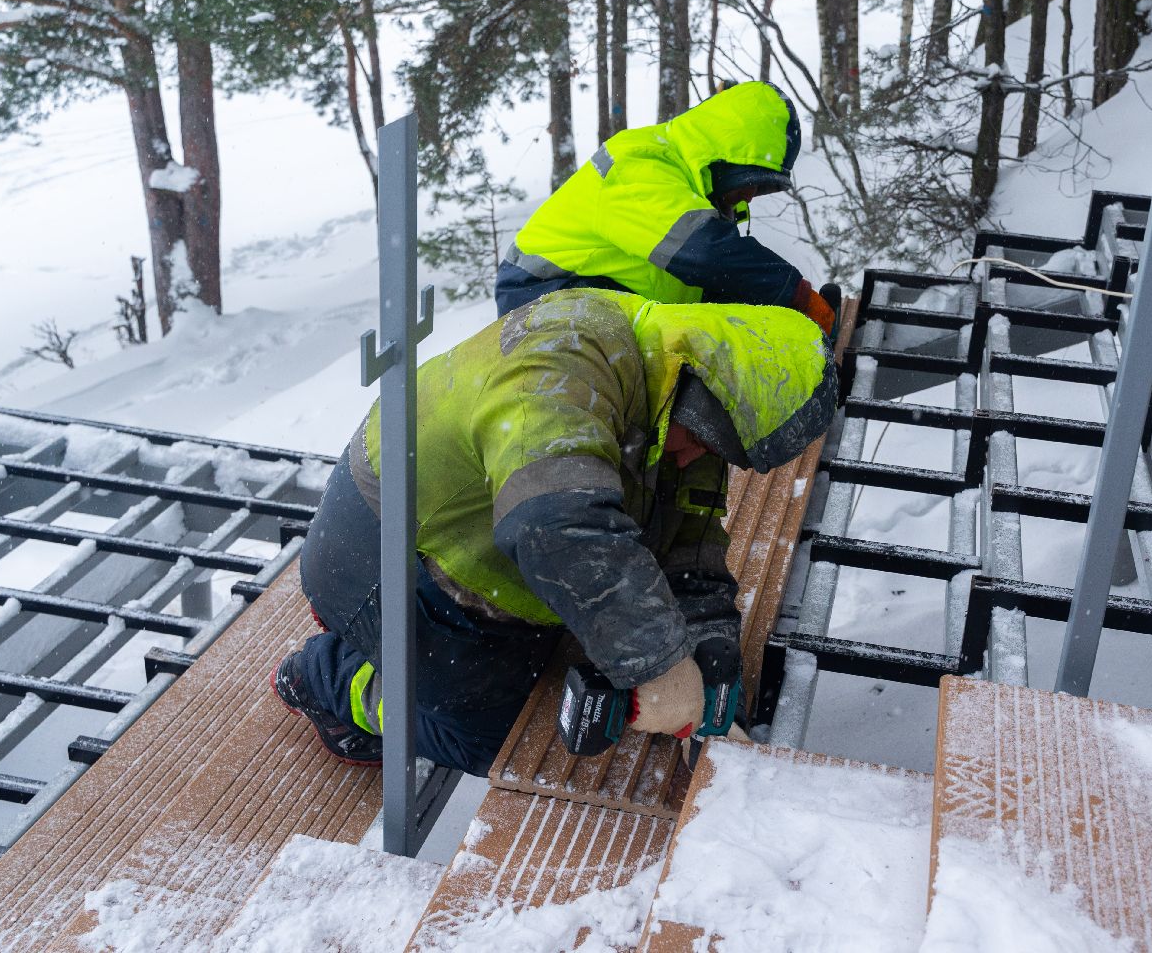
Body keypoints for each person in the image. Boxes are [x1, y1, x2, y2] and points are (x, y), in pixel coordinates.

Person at [269, 288, 837, 776]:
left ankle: (400, 654)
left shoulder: (684, 395)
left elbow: (690, 525)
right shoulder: (563, 365)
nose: (697, 459)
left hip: (476, 543)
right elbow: (553, 523)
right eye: (704, 443)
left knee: (562, 669)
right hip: (385, 547)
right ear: (698, 391)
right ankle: (329, 677)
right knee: (501, 741)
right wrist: (660, 664)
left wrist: (707, 637)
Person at [495, 80, 835, 337]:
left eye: (762, 188)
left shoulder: (695, 192)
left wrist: (778, 315)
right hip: (540, 300)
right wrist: (795, 294)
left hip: (599, 299)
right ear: (722, 158)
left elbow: (714, 283)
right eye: (750, 181)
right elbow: (706, 254)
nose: (750, 195)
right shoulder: (639, 164)